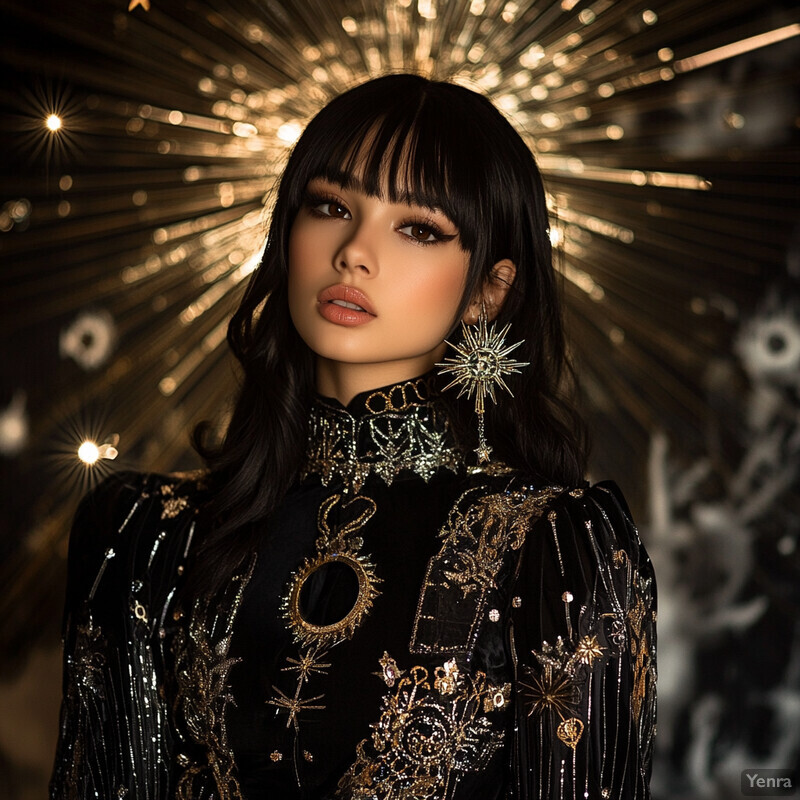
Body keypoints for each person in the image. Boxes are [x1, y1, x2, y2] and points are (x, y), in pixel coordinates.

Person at [50, 73, 657, 799]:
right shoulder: (149, 539)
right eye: (332, 207)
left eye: (419, 229)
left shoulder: (552, 553)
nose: (354, 253)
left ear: (488, 291)